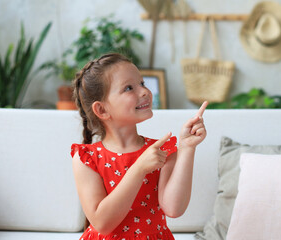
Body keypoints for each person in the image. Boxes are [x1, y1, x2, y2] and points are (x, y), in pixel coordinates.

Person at [70, 53, 207, 240]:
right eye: (128, 88)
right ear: (102, 110)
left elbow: (174, 209)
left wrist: (187, 148)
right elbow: (102, 223)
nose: (144, 92)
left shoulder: (162, 150)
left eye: (142, 83)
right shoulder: (87, 158)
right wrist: (139, 168)